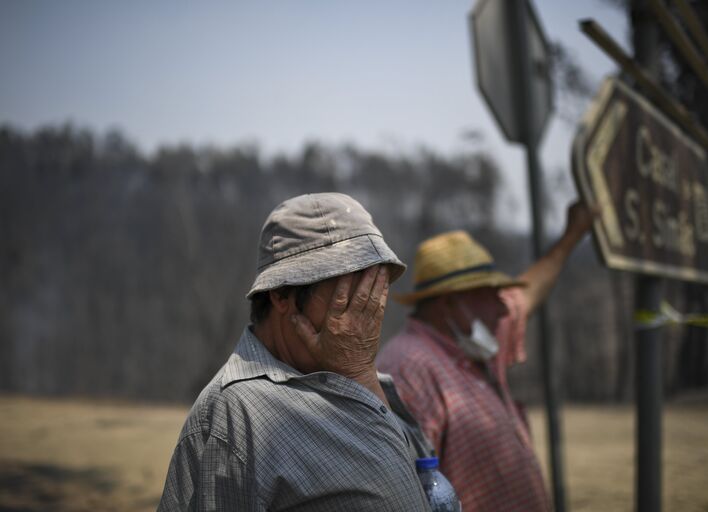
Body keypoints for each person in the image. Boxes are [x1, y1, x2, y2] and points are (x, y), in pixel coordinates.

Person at [158, 192, 431, 511]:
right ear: (282, 295)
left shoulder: (365, 377)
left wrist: (361, 375)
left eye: (373, 288)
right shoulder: (233, 415)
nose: (368, 309)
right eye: (350, 293)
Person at [377, 200, 596, 512]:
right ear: (451, 304)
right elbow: (406, 495)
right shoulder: (408, 369)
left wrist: (573, 234)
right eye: (490, 296)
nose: (503, 307)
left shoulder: (475, 343)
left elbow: (528, 294)